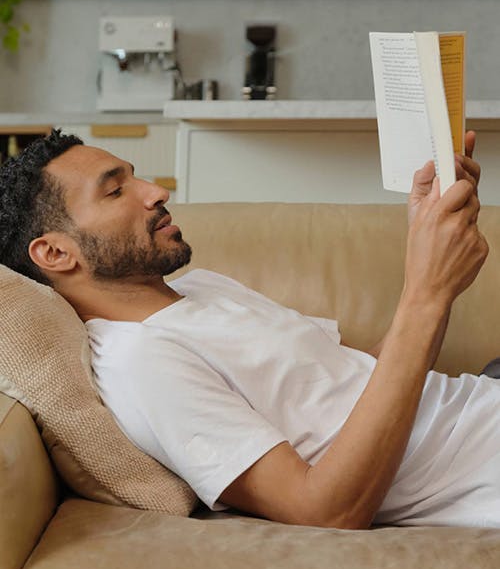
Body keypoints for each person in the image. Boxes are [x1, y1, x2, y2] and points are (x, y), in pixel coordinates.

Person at [0, 129, 496, 530]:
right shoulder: (144, 363)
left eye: (136, 178)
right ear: (56, 253)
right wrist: (424, 295)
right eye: (116, 191)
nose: (156, 192)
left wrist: (428, 252)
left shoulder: (202, 288)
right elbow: (324, 511)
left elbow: (357, 379)